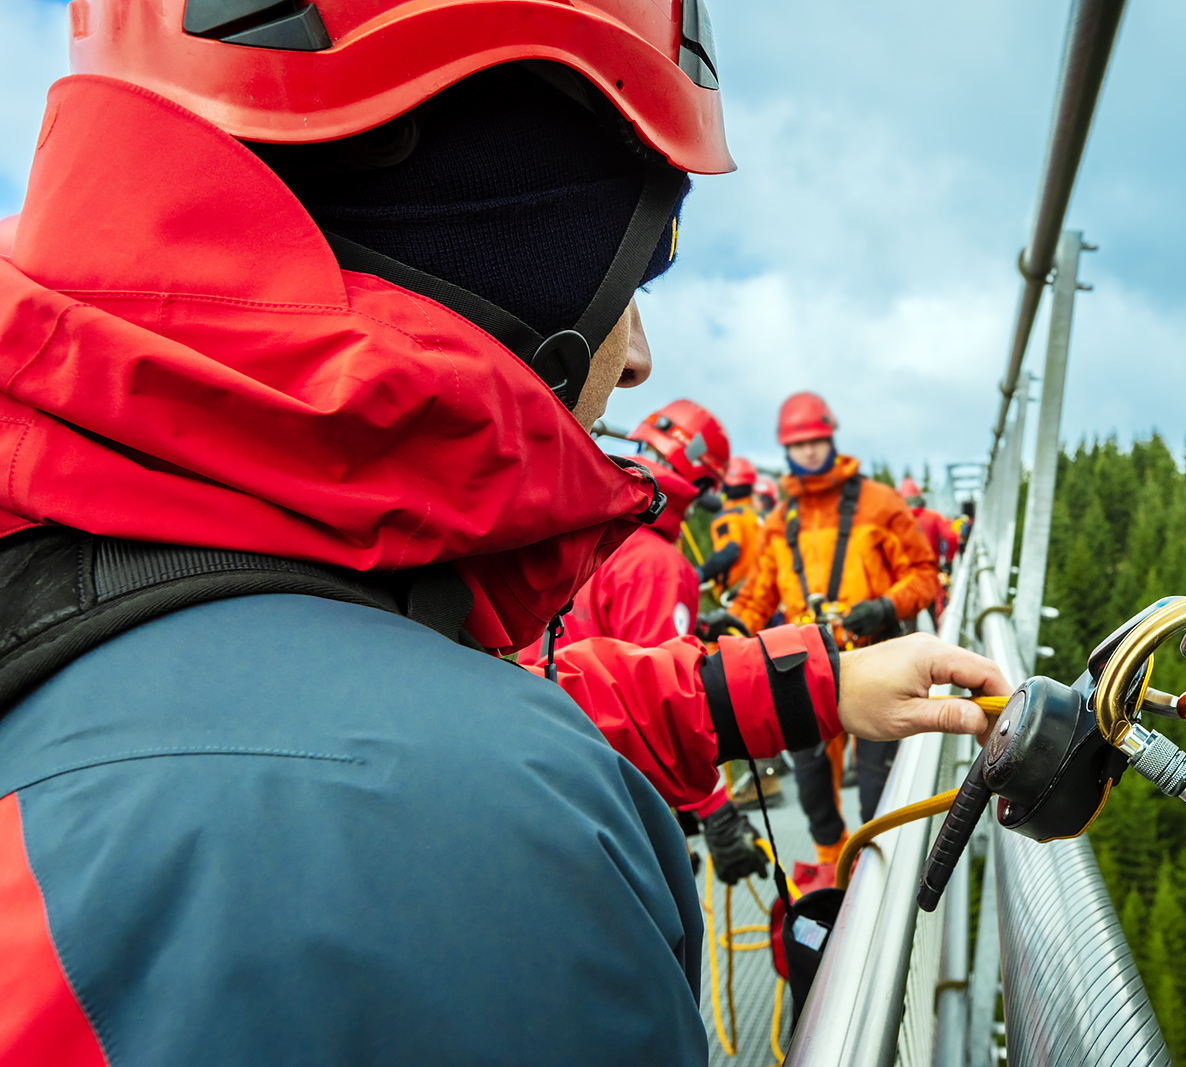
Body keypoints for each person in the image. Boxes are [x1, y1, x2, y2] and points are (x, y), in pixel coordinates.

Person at [0, 5, 1008, 1063]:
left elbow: (453, 700)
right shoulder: (488, 835)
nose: (639, 358)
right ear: (508, 256)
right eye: (635, 276)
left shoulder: (128, 562)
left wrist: (813, 678)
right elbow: (454, 737)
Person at [545, 400, 768, 883]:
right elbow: (664, 701)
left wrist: (694, 628)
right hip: (618, 790)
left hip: (549, 757)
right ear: (704, 484)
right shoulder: (659, 564)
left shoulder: (581, 529)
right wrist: (717, 816)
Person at [730, 392, 941, 883]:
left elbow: (924, 574)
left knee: (876, 783)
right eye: (798, 444)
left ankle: (882, 872)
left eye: (815, 441)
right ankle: (834, 869)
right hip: (808, 668)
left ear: (830, 439)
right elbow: (758, 597)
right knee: (811, 782)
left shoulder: (880, 504)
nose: (807, 452)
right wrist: (730, 625)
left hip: (875, 659)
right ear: (787, 451)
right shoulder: (780, 522)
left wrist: (886, 606)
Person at [697, 455, 765, 599]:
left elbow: (729, 552)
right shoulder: (754, 514)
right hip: (763, 595)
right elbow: (717, 505)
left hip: (740, 599)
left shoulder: (728, 517)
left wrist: (700, 574)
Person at [898, 476, 958, 623]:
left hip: (907, 583)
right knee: (940, 624)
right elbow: (952, 537)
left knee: (909, 632)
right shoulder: (932, 517)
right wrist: (948, 562)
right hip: (930, 578)